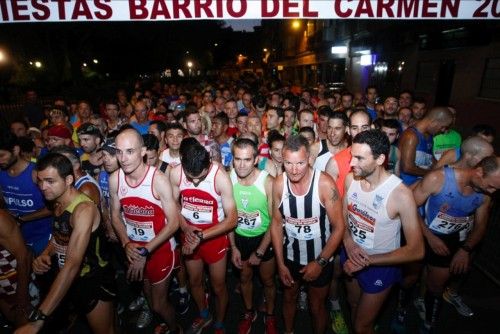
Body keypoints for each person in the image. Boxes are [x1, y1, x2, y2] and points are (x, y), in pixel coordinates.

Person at [16, 153, 115, 334]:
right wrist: (46, 253)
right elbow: (60, 237)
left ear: (68, 179)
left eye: (50, 181)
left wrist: (38, 320)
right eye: (40, 181)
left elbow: (72, 265)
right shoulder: (57, 201)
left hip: (92, 280)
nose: (43, 187)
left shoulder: (83, 210)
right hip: (69, 280)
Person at [342, 129, 424, 334]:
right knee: (353, 307)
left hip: (380, 264)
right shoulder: (351, 179)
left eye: (360, 158)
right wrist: (348, 242)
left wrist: (366, 261)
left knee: (363, 325)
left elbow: (416, 250)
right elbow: (343, 216)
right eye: (352, 155)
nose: (352, 163)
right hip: (351, 252)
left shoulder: (400, 194)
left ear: (380, 159)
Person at [412, 156, 500, 333]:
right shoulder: (438, 178)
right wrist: (429, 237)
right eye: (490, 185)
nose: (491, 192)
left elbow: (481, 225)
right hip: (420, 233)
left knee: (436, 285)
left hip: (450, 240)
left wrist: (465, 250)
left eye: (496, 189)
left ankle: (429, 325)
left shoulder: (486, 194)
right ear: (479, 171)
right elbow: (409, 208)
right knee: (409, 279)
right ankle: (404, 308)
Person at [270, 135, 345, 334]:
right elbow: (276, 225)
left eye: (300, 163)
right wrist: (280, 263)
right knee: (288, 298)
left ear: (310, 160)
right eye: (288, 163)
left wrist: (320, 262)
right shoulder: (279, 184)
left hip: (320, 256)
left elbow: (339, 227)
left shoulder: (325, 184)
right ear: (282, 161)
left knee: (316, 306)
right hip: (291, 256)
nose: (294, 170)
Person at [109, 128, 181, 334]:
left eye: (130, 151)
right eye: (119, 152)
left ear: (142, 152)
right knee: (147, 293)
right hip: (134, 249)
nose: (123, 158)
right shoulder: (116, 179)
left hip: (159, 250)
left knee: (159, 303)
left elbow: (174, 222)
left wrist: (145, 251)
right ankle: (161, 320)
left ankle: (175, 328)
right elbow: (115, 215)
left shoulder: (157, 179)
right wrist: (126, 243)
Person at [170, 137, 237, 334]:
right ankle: (205, 314)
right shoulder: (176, 173)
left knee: (218, 286)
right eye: (191, 177)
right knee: (195, 281)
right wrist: (184, 227)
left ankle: (220, 321)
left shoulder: (220, 176)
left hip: (213, 237)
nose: (196, 182)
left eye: (200, 177)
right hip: (189, 234)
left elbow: (232, 219)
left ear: (208, 164)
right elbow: (173, 204)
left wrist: (201, 236)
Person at [228, 138, 278, 334]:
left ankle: (271, 315)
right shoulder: (229, 178)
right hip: (240, 238)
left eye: (247, 159)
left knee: (268, 281)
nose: (241, 165)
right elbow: (229, 217)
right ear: (232, 159)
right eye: (237, 159)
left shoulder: (268, 182)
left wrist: (260, 251)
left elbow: (275, 221)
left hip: (263, 239)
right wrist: (233, 247)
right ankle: (249, 312)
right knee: (244, 278)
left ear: (256, 159)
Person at [0, 132, 52, 256]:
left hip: (43, 237)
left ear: (16, 150)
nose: (0, 160)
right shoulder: (1, 173)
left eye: (2, 155)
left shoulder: (35, 173)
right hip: (16, 239)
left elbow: (53, 208)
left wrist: (21, 219)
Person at [399, 107, 453, 187]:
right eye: (442, 127)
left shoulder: (429, 136)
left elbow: (431, 159)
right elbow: (407, 168)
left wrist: (445, 169)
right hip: (406, 187)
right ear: (434, 122)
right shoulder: (411, 136)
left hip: (420, 186)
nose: (443, 130)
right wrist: (433, 173)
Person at [0, 209, 35, 328]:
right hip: (3, 290)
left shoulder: (1, 218)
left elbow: (24, 257)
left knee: (25, 327)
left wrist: (22, 302)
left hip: (18, 286)